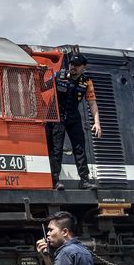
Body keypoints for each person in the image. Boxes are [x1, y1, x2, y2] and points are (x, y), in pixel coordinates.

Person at [45, 54, 101, 190]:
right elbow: (43, 86)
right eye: (72, 64)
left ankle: (84, 180)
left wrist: (97, 122)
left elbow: (92, 103)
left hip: (74, 116)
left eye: (77, 65)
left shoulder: (87, 82)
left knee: (79, 148)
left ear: (83, 67)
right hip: (57, 115)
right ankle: (55, 180)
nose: (73, 67)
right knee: (57, 149)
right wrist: (43, 74)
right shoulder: (59, 75)